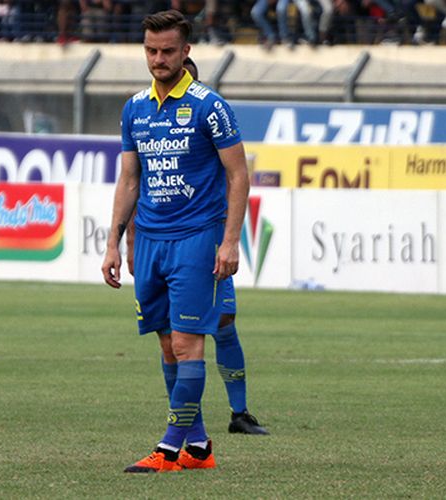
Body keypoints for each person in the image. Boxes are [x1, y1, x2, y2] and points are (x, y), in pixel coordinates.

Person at [102, 10, 251, 473]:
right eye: (151, 50)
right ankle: (199, 447)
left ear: (186, 52)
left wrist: (229, 242)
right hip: (149, 241)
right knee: (168, 347)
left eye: (168, 51)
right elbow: (129, 180)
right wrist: (115, 242)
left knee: (188, 345)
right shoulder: (135, 108)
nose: (158, 59)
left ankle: (168, 449)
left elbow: (238, 175)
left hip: (196, 240)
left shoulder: (210, 106)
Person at [124, 56, 269, 443]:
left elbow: (238, 176)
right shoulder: (143, 113)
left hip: (204, 242)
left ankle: (237, 412)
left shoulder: (210, 119)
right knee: (174, 338)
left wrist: (229, 239)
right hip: (162, 243)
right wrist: (129, 239)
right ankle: (196, 435)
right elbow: (141, 183)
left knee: (222, 322)